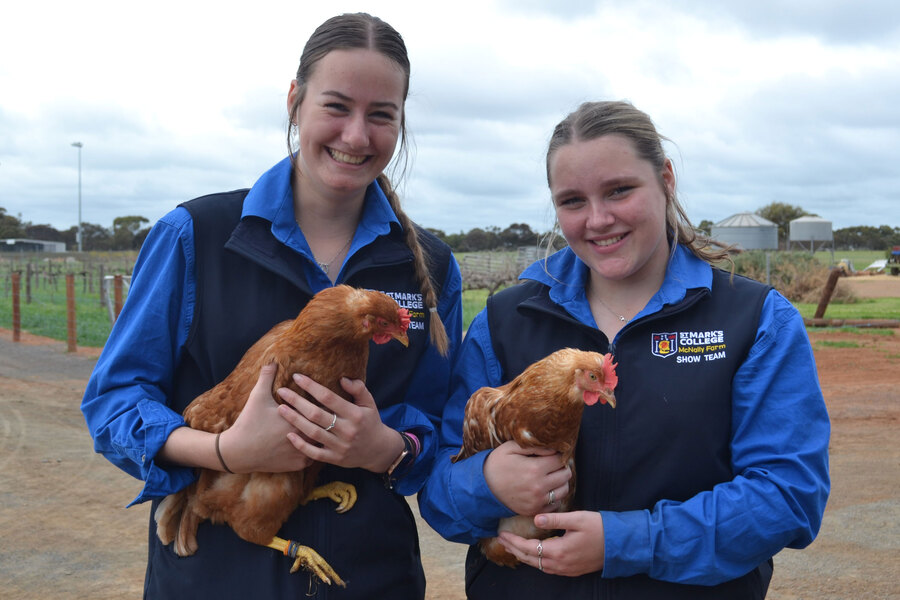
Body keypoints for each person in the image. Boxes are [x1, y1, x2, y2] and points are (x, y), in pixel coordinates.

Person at [81, 13, 462, 599]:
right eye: (337, 106)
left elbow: (439, 429)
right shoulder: (196, 235)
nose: (357, 136)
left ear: (401, 123)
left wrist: (385, 447)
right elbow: (114, 402)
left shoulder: (428, 268)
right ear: (295, 101)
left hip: (371, 576)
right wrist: (224, 450)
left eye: (381, 114)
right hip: (215, 577)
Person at [419, 100, 829, 598]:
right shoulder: (505, 321)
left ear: (666, 179)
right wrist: (485, 483)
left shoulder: (755, 319)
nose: (598, 219)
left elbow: (788, 497)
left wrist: (628, 542)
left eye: (619, 190)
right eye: (572, 201)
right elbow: (439, 488)